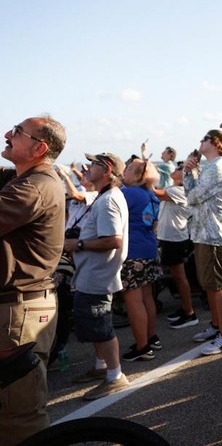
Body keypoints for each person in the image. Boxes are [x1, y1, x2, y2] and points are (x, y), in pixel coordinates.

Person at [0, 117, 66, 443]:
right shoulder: (21, 178)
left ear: (39, 148)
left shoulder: (35, 186)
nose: (7, 135)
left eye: (17, 132)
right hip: (15, 309)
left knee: (19, 418)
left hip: (17, 314)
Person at [64, 152, 131, 401]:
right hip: (91, 273)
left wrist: (78, 245)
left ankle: (115, 376)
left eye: (93, 165)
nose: (88, 168)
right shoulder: (104, 196)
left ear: (106, 170)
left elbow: (113, 240)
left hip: (98, 275)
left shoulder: (108, 200)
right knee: (93, 323)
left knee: (101, 325)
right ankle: (102, 367)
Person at [183, 130, 222, 355]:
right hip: (206, 233)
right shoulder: (214, 166)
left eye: (204, 139)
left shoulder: (218, 167)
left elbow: (193, 197)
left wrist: (189, 173)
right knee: (209, 284)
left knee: (216, 284)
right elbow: (193, 195)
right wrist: (190, 172)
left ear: (215, 143)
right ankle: (217, 326)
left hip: (213, 234)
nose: (200, 142)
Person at [120, 158, 162, 361]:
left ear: (138, 175)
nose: (123, 171)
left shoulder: (128, 193)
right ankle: (151, 336)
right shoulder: (151, 194)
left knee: (133, 300)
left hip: (132, 251)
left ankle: (142, 346)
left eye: (127, 169)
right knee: (147, 298)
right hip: (149, 249)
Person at [152, 164, 197, 329]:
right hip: (170, 237)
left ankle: (189, 313)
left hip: (175, 239)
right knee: (177, 276)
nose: (177, 169)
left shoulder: (181, 191)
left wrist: (145, 178)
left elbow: (155, 193)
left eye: (181, 169)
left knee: (180, 276)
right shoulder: (174, 189)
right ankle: (185, 307)